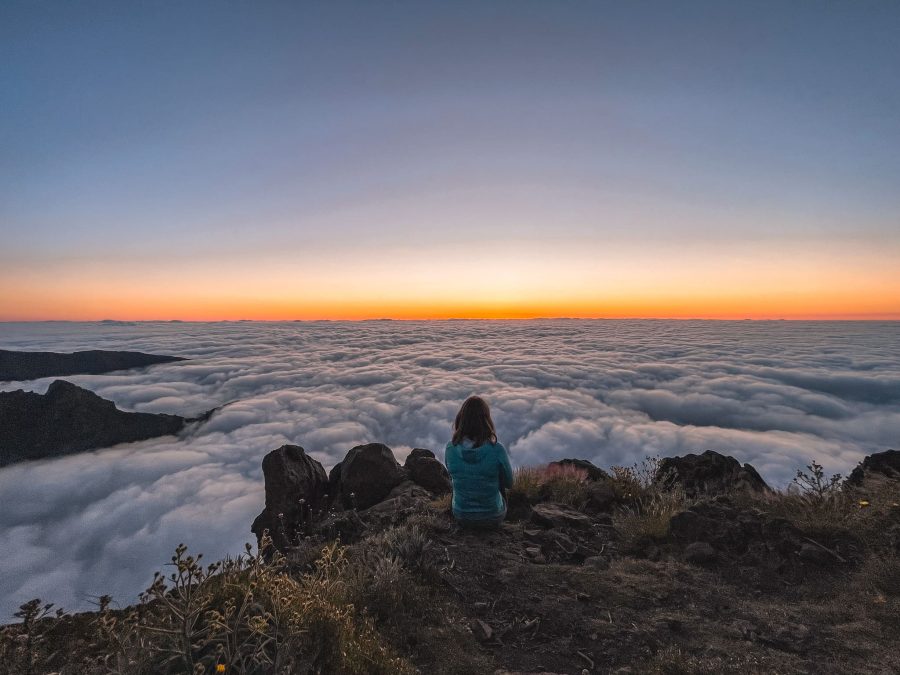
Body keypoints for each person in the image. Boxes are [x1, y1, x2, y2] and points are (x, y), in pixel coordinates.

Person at [445, 395, 513, 528]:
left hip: (461, 515)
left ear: (461, 419)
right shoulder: (497, 450)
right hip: (493, 517)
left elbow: (451, 475)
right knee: (498, 481)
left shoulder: (450, 448)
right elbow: (509, 483)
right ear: (486, 420)